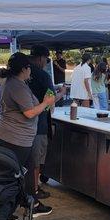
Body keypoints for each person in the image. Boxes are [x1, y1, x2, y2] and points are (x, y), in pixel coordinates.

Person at [0, 52, 55, 220]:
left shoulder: (16, 83)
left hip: (16, 136)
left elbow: (31, 107)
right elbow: (29, 113)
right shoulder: (17, 86)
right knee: (15, 174)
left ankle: (31, 204)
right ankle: (5, 209)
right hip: (15, 138)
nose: (31, 70)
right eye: (29, 67)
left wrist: (45, 102)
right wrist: (46, 103)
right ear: (24, 69)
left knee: (26, 172)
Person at [27, 45, 66, 201]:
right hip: (39, 124)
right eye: (46, 59)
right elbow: (50, 101)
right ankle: (34, 190)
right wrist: (62, 93)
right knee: (36, 161)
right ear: (42, 58)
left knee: (28, 160)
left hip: (23, 126)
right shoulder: (43, 76)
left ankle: (30, 187)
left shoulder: (23, 74)